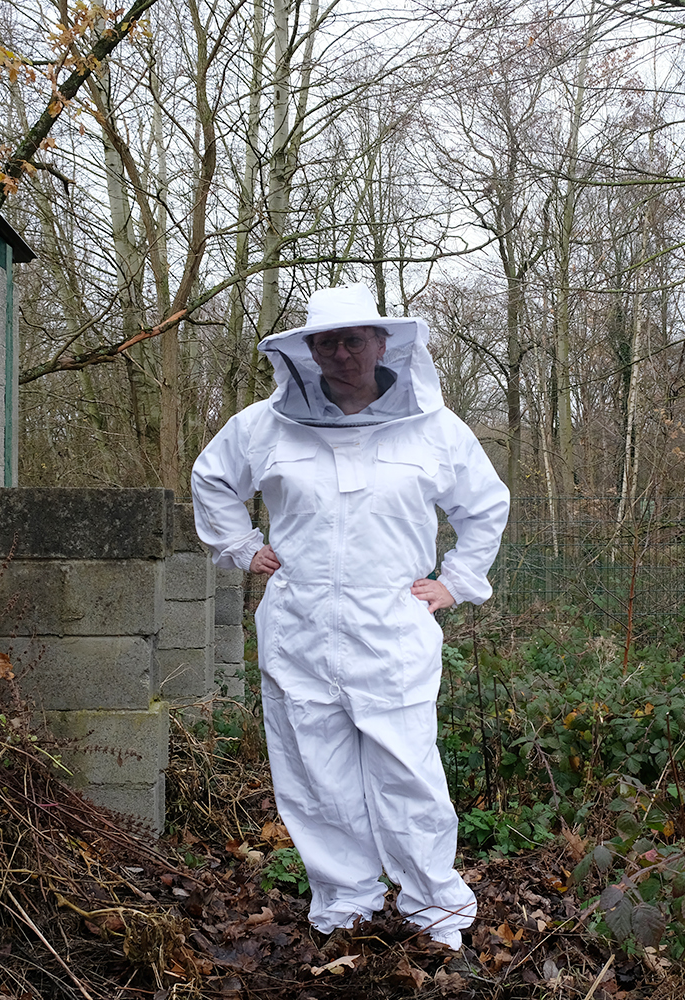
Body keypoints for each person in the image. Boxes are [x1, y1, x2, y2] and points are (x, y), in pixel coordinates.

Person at [190, 284, 510, 949]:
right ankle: (346, 911)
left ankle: (435, 913)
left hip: (391, 629)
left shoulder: (433, 427)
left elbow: (483, 505)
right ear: (308, 350)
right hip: (300, 625)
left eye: (354, 339)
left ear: (382, 343)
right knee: (314, 773)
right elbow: (213, 480)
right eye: (327, 341)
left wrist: (457, 582)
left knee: (408, 771)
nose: (341, 352)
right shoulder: (262, 425)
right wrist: (244, 547)